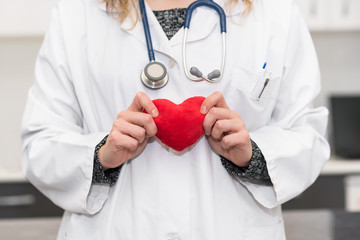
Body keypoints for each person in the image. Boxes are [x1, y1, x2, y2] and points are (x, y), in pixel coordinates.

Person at [21, 0, 330, 239]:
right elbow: (41, 145)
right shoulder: (78, 14)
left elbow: (307, 135)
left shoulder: (273, 13)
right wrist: (102, 154)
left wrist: (254, 155)